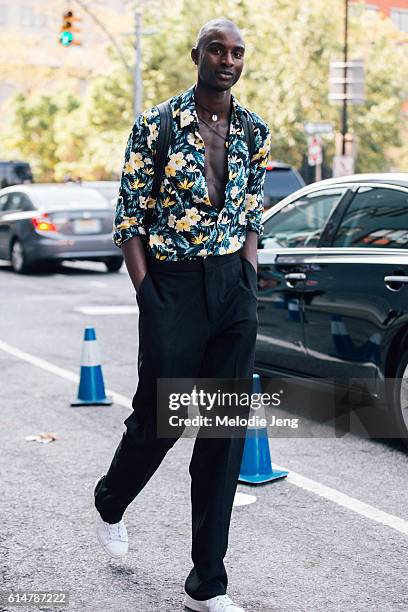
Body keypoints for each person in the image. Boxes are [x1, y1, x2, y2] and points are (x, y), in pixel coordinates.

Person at [94, 17, 270, 612]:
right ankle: (112, 499)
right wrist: (150, 296)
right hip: (172, 285)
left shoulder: (254, 131)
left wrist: (245, 275)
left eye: (237, 52)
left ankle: (207, 583)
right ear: (197, 55)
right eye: (217, 50)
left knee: (222, 435)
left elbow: (252, 214)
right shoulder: (157, 125)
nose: (227, 60)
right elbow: (129, 222)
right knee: (161, 420)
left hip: (231, 289)